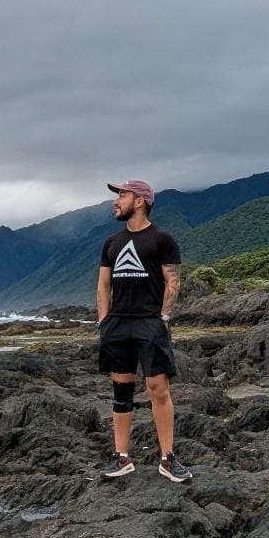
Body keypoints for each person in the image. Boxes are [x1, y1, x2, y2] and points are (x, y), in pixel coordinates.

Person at [96, 180, 191, 482]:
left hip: (150, 322)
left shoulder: (163, 239)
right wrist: (104, 321)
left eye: (122, 195)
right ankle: (121, 458)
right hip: (117, 324)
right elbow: (103, 285)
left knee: (158, 389)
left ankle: (167, 458)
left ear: (140, 201)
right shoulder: (111, 243)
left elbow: (172, 281)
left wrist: (164, 318)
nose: (116, 201)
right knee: (121, 390)